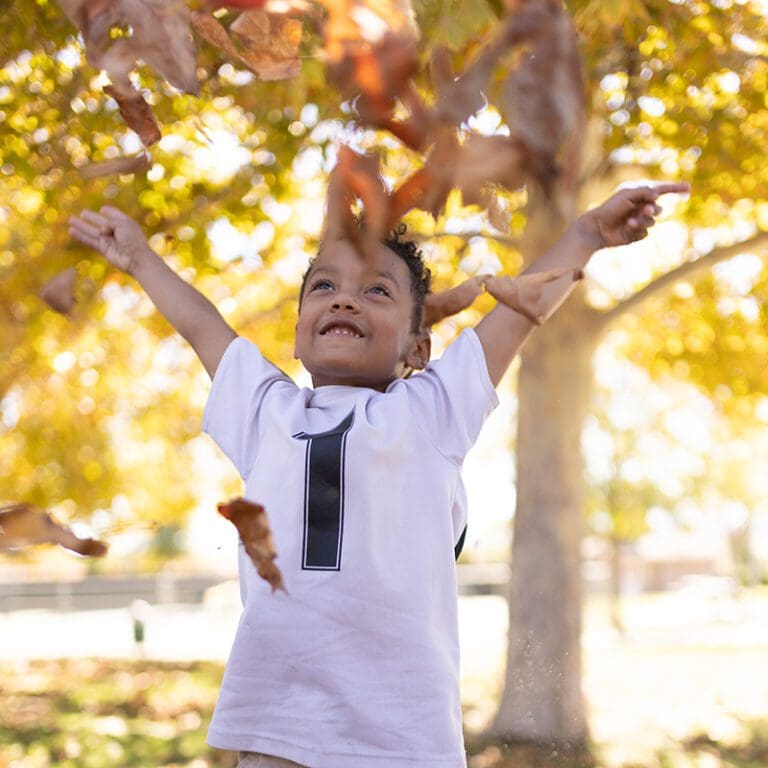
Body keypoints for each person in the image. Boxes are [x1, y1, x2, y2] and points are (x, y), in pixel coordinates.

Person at [69, 182, 688, 768]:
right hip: (276, 720)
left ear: (417, 350)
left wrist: (585, 235)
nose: (344, 298)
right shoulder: (265, 412)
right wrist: (141, 259)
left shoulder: (432, 411)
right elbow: (204, 326)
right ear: (296, 335)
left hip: (400, 732)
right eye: (325, 287)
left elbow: (518, 313)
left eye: (377, 292)